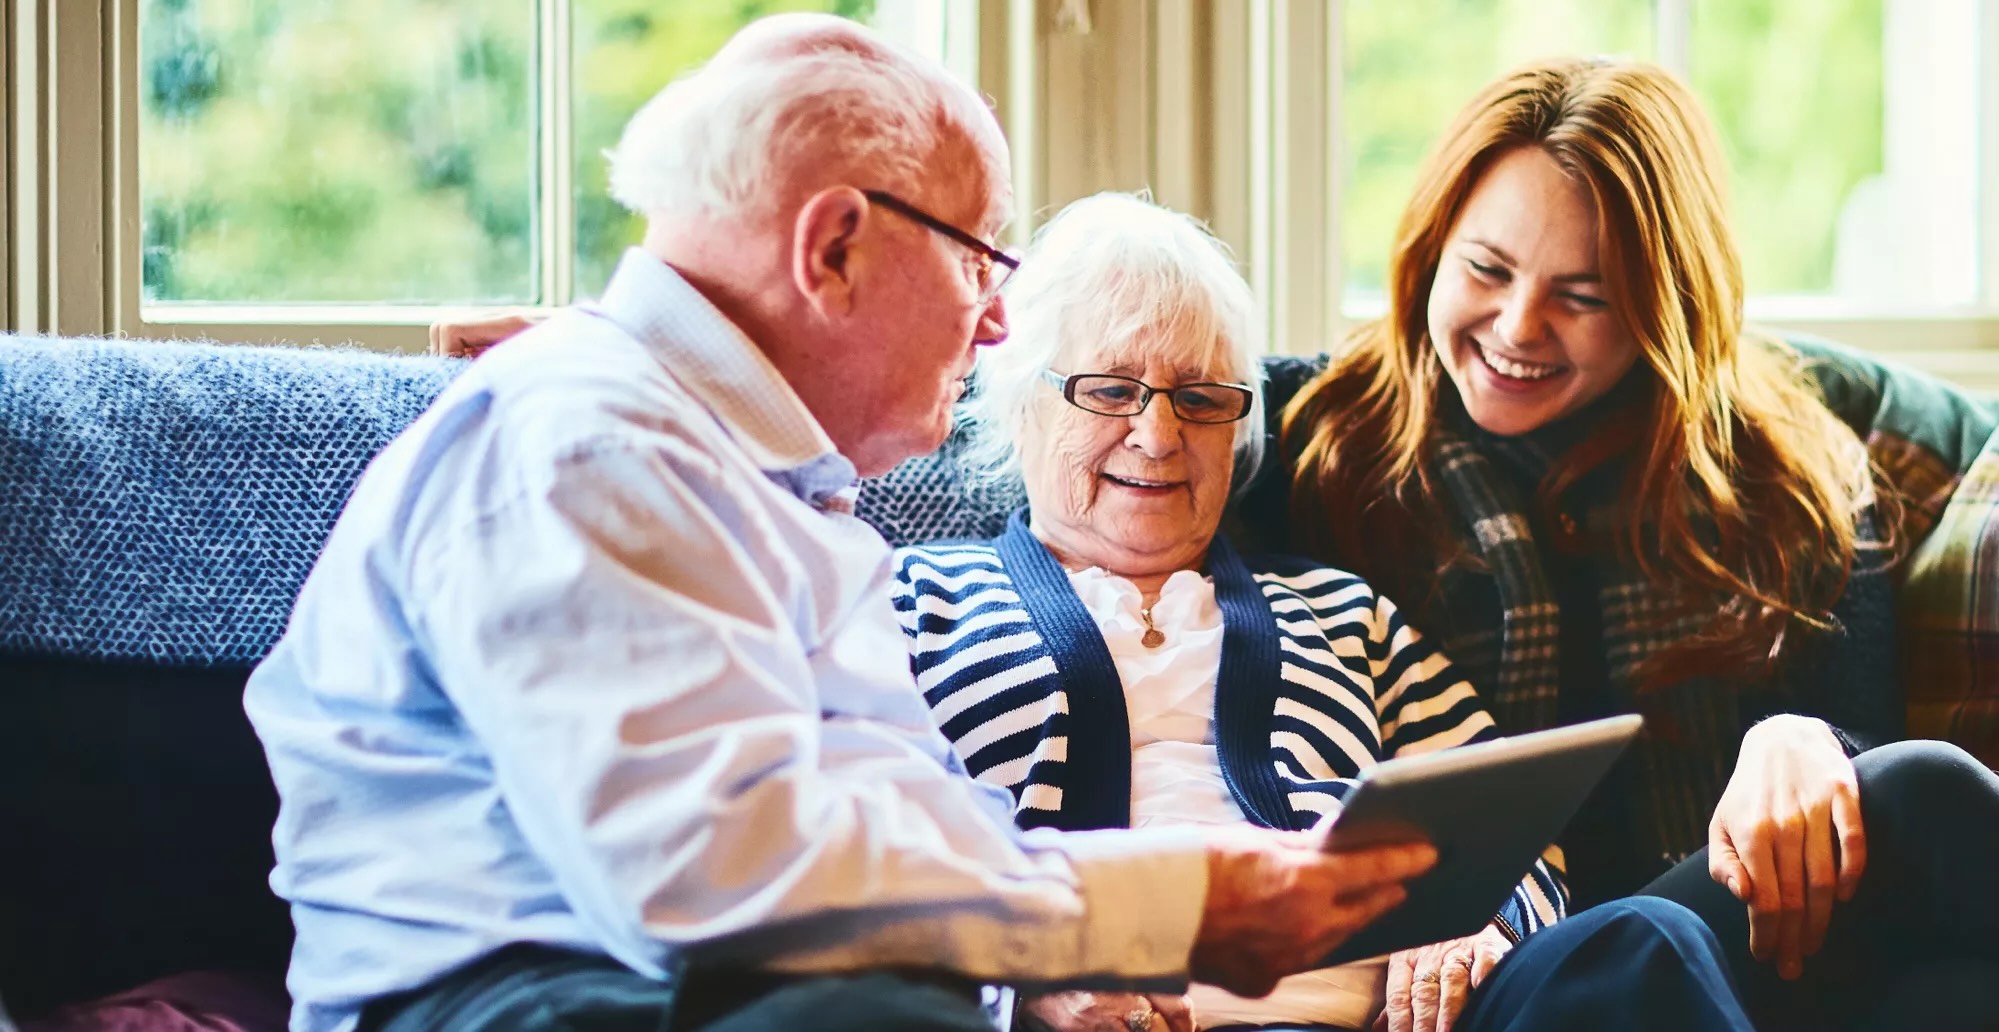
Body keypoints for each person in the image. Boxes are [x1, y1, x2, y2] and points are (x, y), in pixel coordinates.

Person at [242, 17, 1438, 1032]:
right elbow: (708, 873)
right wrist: (1157, 909)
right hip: (509, 995)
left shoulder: (769, 484)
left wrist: (1060, 956)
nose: (992, 327)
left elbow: (891, 810)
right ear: (831, 248)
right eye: (980, 260)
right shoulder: (590, 446)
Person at [1259, 55, 1999, 1031]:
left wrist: (1806, 739)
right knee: (1924, 797)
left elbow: (1861, 752)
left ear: (1662, 307)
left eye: (1583, 297)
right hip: (1535, 974)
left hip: (1756, 937)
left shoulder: (1777, 459)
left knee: (1985, 1010)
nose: (1515, 329)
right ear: (1428, 251)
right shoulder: (1319, 441)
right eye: (1486, 270)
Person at [890, 192, 1752, 1032]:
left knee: (1649, 941)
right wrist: (1016, 982)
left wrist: (1473, 922)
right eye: (1112, 391)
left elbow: (1518, 830)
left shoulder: (1349, 615)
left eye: (1201, 399)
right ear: (1021, 399)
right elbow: (835, 866)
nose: (1158, 437)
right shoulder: (911, 609)